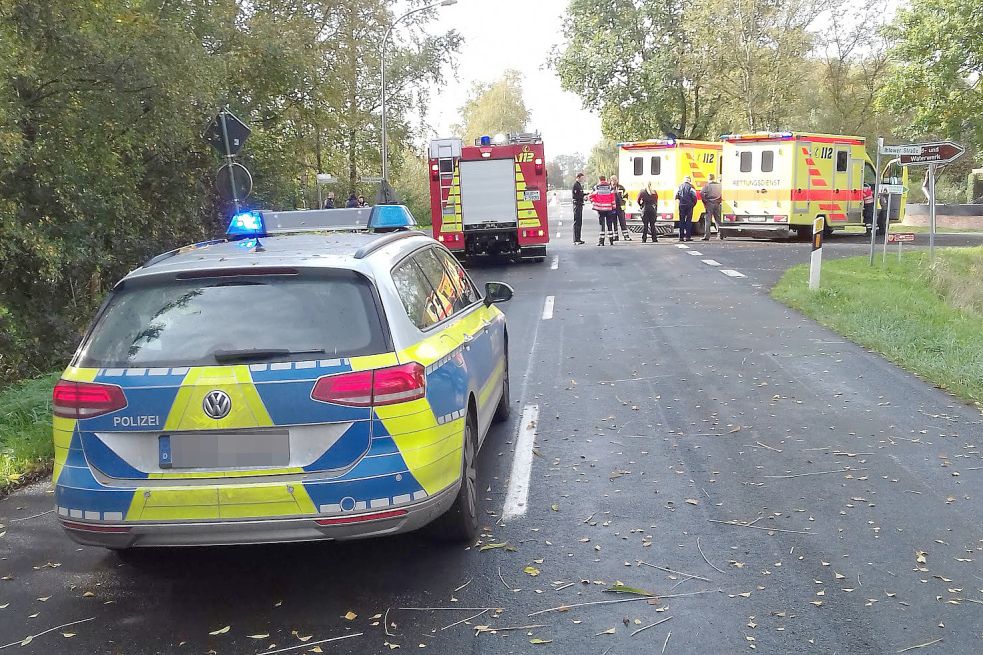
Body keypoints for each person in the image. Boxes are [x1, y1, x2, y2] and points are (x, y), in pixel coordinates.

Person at [589, 175, 617, 246]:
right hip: (609, 209)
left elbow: (590, 196)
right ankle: (611, 241)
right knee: (609, 224)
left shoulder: (596, 187)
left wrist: (594, 202)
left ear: (599, 180)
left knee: (602, 225)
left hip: (600, 209)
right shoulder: (610, 188)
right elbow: (613, 198)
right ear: (606, 179)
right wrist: (613, 207)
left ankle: (601, 242)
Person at [701, 173, 723, 241]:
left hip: (709, 203)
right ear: (714, 178)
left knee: (708, 220)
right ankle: (720, 235)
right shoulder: (719, 186)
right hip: (717, 203)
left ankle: (707, 236)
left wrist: (705, 201)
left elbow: (702, 194)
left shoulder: (706, 185)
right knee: (718, 220)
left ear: (708, 178)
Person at [675, 176, 697, 242]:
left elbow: (677, 196)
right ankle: (688, 237)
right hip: (689, 206)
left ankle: (681, 237)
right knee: (688, 221)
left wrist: (679, 203)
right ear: (689, 180)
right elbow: (694, 197)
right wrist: (693, 204)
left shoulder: (680, 186)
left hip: (681, 205)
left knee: (681, 221)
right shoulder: (691, 187)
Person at [610, 175, 632, 241]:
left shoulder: (621, 188)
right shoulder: (609, 188)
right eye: (612, 181)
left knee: (622, 222)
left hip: (620, 208)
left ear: (617, 181)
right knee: (614, 222)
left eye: (615, 180)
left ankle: (626, 236)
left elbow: (626, 196)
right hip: (612, 208)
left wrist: (623, 202)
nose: (614, 182)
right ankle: (616, 236)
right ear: (610, 181)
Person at [572, 172, 586, 244]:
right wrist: (583, 197)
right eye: (582, 178)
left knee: (579, 222)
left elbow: (581, 194)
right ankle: (576, 239)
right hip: (577, 205)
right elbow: (576, 196)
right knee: (577, 222)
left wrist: (586, 194)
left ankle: (578, 238)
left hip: (580, 205)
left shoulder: (579, 185)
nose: (583, 179)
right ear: (578, 177)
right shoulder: (576, 185)